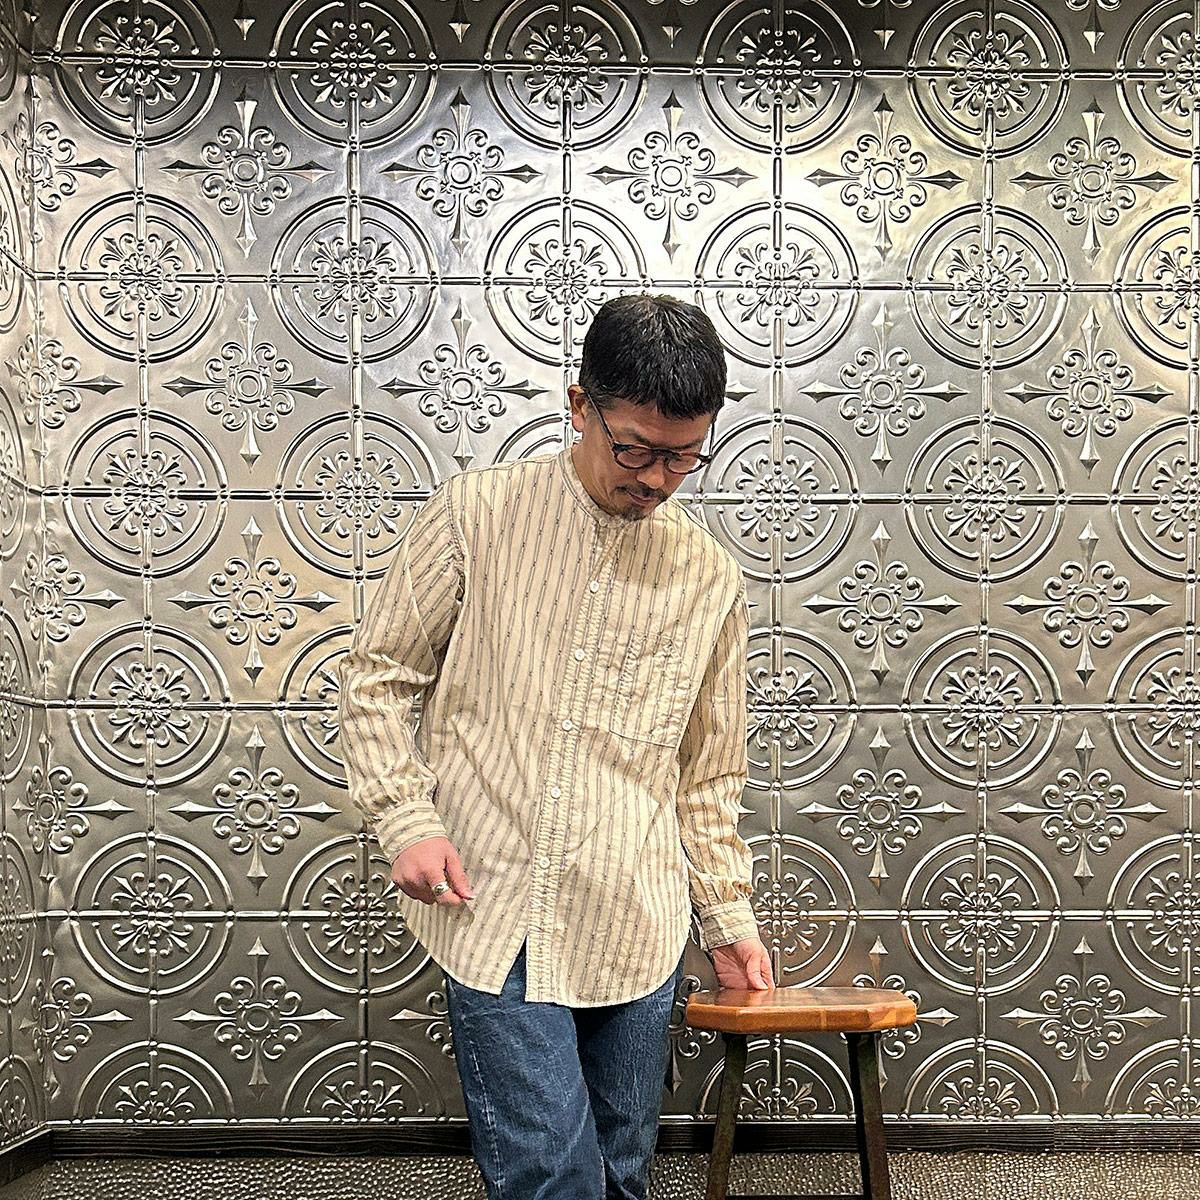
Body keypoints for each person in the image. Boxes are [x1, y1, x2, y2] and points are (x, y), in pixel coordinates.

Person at [337, 293, 772, 1200]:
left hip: (637, 917)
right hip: (499, 907)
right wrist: (406, 819)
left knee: (622, 1174)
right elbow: (379, 678)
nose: (658, 480)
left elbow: (708, 774)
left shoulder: (708, 575)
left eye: (684, 456)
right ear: (580, 406)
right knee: (552, 1176)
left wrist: (727, 921)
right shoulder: (476, 515)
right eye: (636, 450)